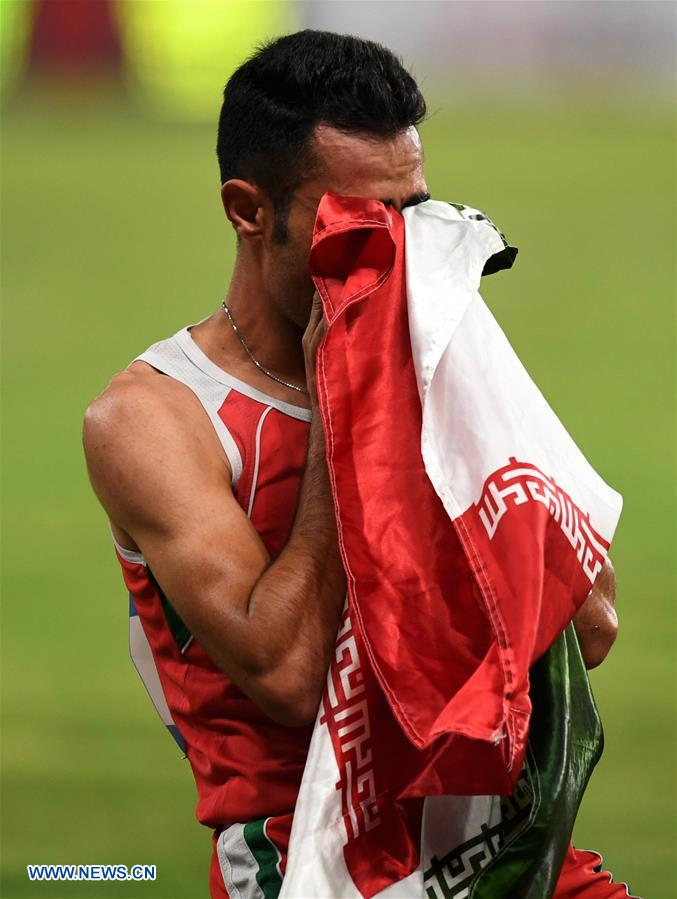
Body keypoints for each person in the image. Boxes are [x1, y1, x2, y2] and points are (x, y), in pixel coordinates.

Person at [83, 30, 621, 899]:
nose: (397, 246)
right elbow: (291, 675)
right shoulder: (154, 419)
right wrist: (355, 411)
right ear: (249, 210)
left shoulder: (436, 355)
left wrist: (460, 396)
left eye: (411, 210)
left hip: (499, 843)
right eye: (359, 222)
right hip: (310, 861)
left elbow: (591, 628)